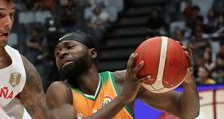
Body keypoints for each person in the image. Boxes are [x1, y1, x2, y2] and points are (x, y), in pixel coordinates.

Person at [46, 31, 200, 119]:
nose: (62, 53)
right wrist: (123, 98)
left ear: (92, 53)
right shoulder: (59, 91)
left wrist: (187, 80)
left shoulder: (123, 81)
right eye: (57, 52)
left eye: (69, 47)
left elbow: (187, 111)